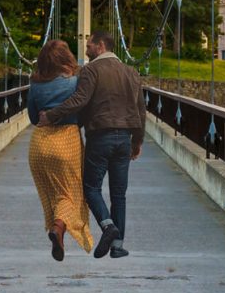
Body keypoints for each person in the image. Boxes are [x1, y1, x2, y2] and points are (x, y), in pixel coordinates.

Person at [38, 30, 145, 259]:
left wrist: (51, 116)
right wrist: (137, 141)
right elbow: (140, 110)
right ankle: (117, 246)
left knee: (91, 188)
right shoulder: (131, 72)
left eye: (89, 45)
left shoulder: (91, 70)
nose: (86, 50)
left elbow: (79, 100)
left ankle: (108, 225)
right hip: (124, 139)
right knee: (119, 194)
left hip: (100, 138)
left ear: (101, 45)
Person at [27, 39, 93, 262]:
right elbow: (83, 111)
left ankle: (58, 230)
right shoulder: (75, 82)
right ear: (66, 57)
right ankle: (57, 227)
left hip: (39, 146)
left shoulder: (35, 84)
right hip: (67, 142)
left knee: (51, 194)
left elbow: (33, 117)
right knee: (71, 193)